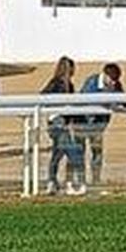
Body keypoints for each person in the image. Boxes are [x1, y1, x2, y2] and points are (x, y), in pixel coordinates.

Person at [79, 63, 126, 189]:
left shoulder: (116, 84)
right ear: (105, 75)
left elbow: (124, 100)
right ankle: (81, 181)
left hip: (99, 125)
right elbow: (84, 103)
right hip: (83, 122)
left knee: (97, 153)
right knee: (80, 153)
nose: (113, 83)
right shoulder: (92, 83)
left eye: (115, 81)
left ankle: (95, 180)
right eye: (111, 80)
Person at [42, 57, 84, 195]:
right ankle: (75, 183)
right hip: (57, 122)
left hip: (58, 123)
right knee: (73, 153)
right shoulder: (59, 84)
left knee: (57, 154)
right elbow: (43, 97)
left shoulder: (64, 84)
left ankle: (52, 183)